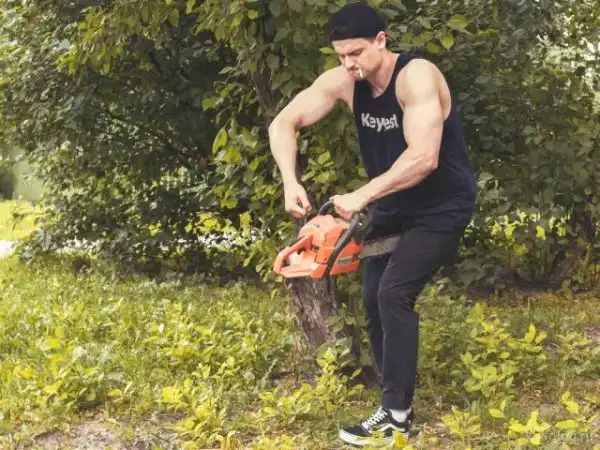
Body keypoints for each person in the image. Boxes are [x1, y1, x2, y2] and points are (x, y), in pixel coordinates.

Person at [268, 1, 476, 446]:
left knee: (393, 293)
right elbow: (284, 122)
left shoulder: (416, 77)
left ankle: (397, 417)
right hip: (393, 204)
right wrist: (290, 181)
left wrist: (361, 195)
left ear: (381, 41)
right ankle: (392, 403)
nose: (349, 64)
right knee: (373, 299)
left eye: (357, 53)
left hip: (443, 204)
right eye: (341, 55)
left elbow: (424, 157)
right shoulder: (346, 81)